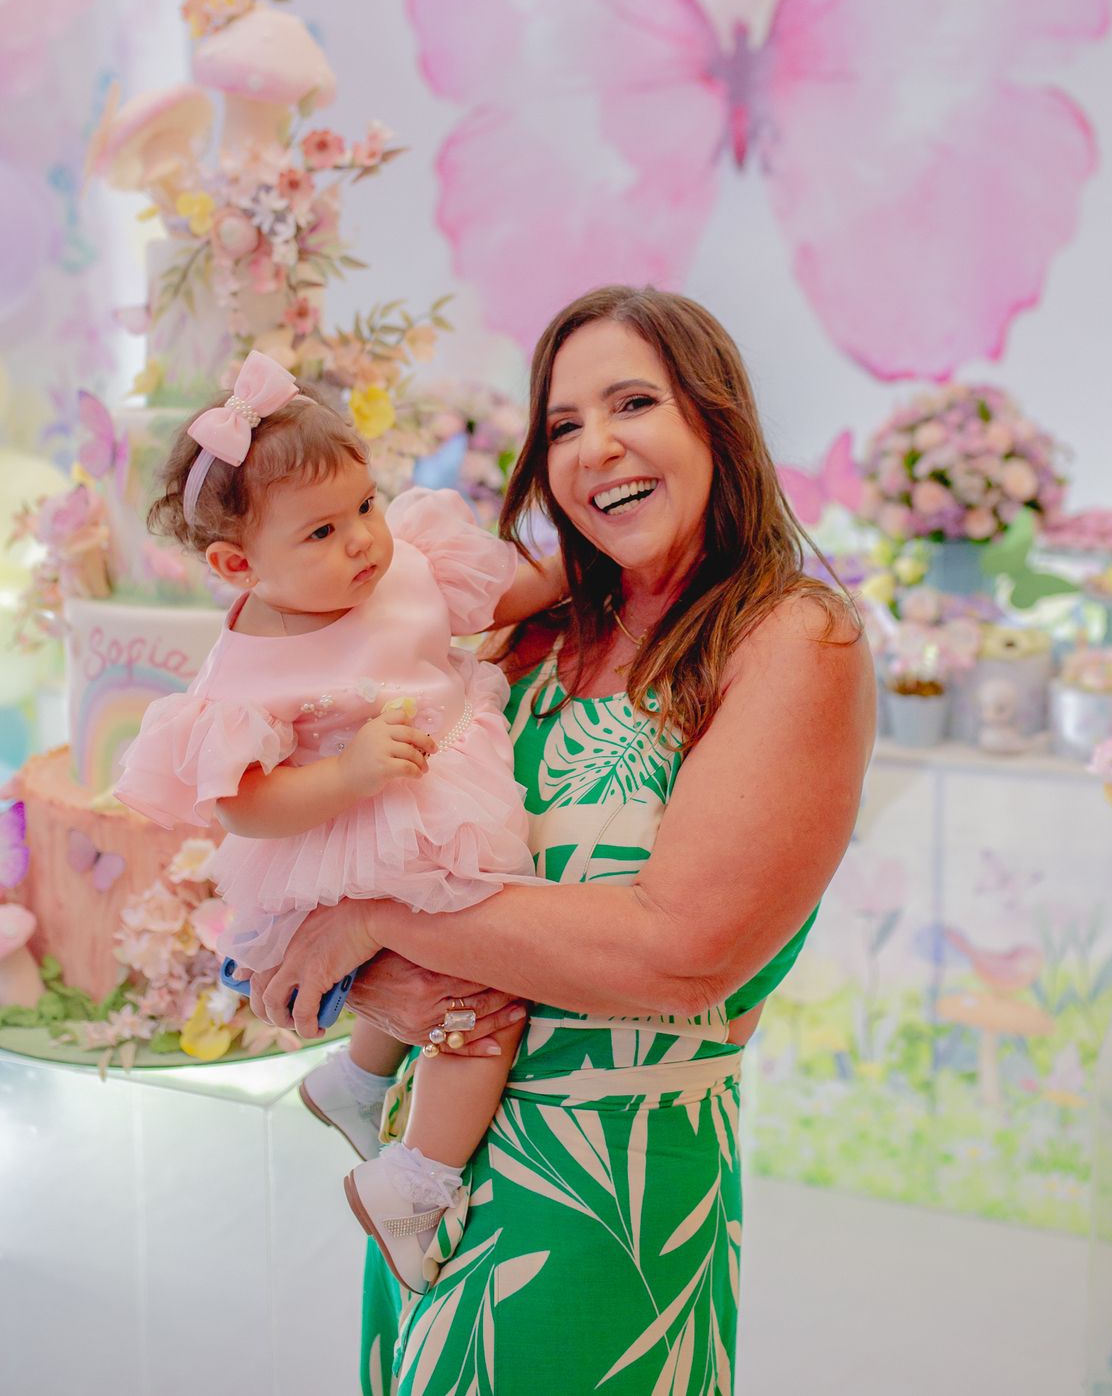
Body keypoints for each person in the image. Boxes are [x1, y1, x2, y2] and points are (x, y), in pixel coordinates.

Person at [251, 288, 875, 1396]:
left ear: (716, 419)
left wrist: (377, 921)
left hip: (609, 1196)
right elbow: (374, 836)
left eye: (634, 402)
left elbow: (681, 950)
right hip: (427, 1184)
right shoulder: (534, 634)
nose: (597, 447)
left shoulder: (791, 639)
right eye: (564, 425)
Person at [113, 350, 565, 1291]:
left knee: (456, 964)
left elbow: (508, 595)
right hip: (360, 827)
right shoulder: (248, 669)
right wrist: (348, 775)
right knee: (480, 999)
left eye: (365, 505)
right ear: (239, 566)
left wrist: (591, 566)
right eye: (322, 531)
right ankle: (415, 1180)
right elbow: (241, 802)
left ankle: (356, 1082)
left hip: (438, 785)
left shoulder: (406, 565)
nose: (362, 541)